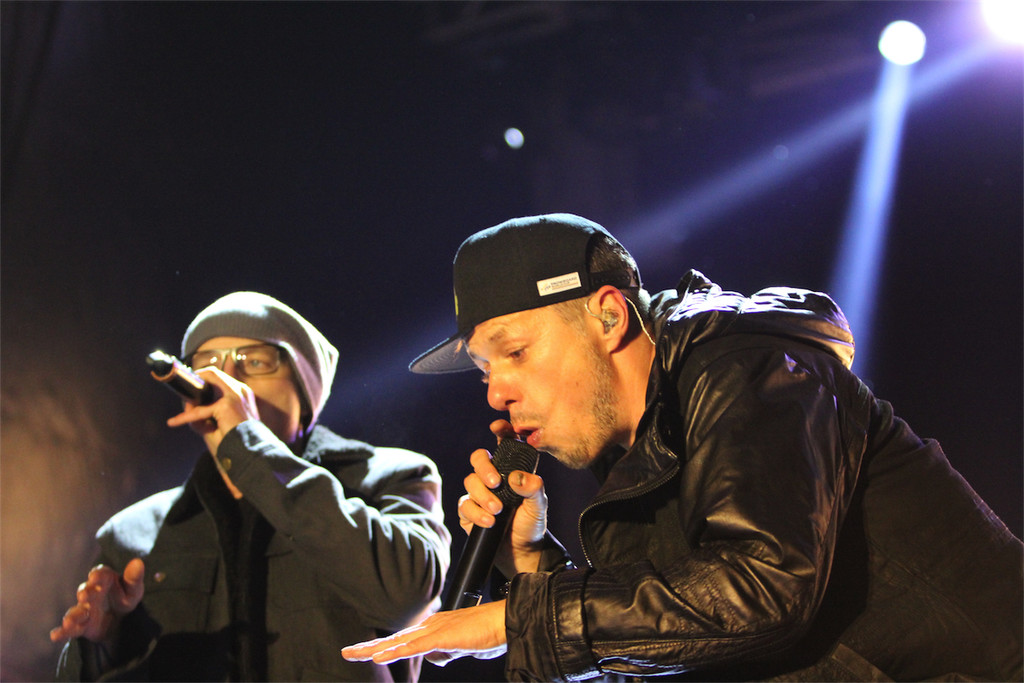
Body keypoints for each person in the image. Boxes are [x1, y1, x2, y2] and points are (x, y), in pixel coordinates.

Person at [343, 213, 1023, 681]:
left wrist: (515, 618)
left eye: (515, 352)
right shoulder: (633, 465)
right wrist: (531, 564)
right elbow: (671, 647)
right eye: (485, 371)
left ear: (609, 315)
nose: (496, 393)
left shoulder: (744, 366)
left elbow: (763, 584)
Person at [51, 291, 451, 682]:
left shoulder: (391, 477)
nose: (226, 378)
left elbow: (407, 599)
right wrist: (102, 645)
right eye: (207, 363)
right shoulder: (132, 533)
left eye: (255, 361)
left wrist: (249, 445)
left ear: (304, 394)